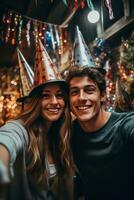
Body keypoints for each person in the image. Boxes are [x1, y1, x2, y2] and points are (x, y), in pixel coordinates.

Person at [0, 39, 74, 200]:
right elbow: (7, 138)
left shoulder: (62, 133)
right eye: (45, 95)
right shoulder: (21, 129)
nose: (54, 102)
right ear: (35, 102)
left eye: (59, 95)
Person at [66, 66, 134, 200]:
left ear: (103, 95)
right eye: (74, 92)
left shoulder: (124, 125)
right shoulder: (68, 135)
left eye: (89, 90)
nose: (81, 98)